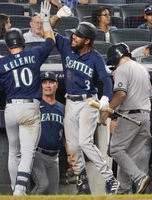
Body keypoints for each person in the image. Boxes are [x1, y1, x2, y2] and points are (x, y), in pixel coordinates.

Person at [0, 0, 56, 195]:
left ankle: (15, 189)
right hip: (29, 109)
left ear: (8, 44)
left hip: (10, 109)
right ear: (22, 41)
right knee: (27, 153)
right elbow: (51, 41)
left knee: (14, 151)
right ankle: (20, 191)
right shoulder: (35, 53)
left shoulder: (1, 62)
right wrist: (45, 22)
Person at [50, 15, 119, 194]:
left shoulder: (95, 57)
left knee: (85, 142)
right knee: (72, 147)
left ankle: (110, 178)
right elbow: (47, 31)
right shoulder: (66, 45)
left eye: (78, 36)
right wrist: (57, 17)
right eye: (74, 35)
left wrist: (105, 98)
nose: (74, 37)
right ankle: (82, 181)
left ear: (87, 40)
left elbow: (106, 79)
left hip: (88, 101)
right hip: (70, 101)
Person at [104, 43, 152, 194]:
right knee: (127, 158)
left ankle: (139, 178)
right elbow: (150, 96)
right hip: (145, 117)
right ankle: (123, 191)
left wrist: (107, 111)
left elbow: (120, 94)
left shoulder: (122, 68)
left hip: (130, 116)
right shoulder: (142, 69)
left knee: (115, 149)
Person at [30, 71, 65, 195]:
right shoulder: (35, 105)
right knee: (42, 184)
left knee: (53, 193)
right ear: (40, 86)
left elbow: (66, 134)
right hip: (37, 154)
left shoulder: (63, 108)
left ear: (57, 85)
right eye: (44, 82)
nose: (48, 85)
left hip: (54, 157)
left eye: (51, 82)